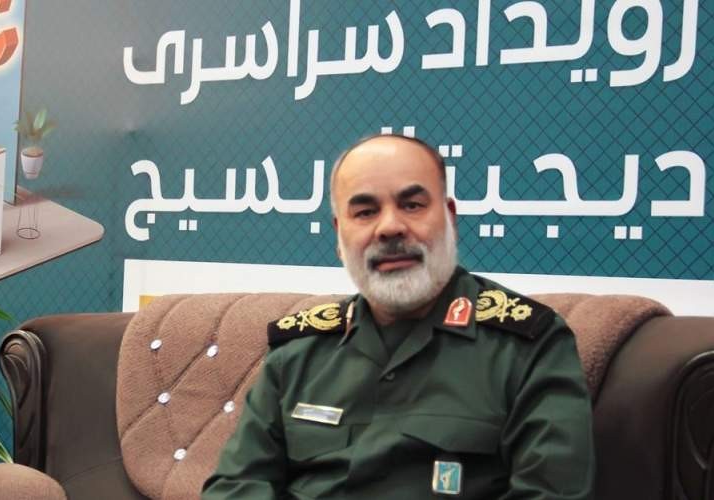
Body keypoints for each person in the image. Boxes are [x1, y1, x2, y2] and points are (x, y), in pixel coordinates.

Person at [202, 134, 594, 499]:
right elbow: (236, 486)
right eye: (365, 212)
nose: (389, 228)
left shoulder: (528, 345)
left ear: (450, 218)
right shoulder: (297, 352)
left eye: (412, 205)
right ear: (339, 235)